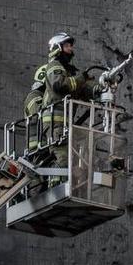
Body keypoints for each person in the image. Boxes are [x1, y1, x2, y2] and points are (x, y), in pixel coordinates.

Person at [38, 32, 102, 185]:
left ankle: (65, 184)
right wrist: (82, 78)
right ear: (57, 48)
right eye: (67, 46)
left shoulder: (69, 71)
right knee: (63, 157)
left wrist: (101, 89)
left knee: (70, 157)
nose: (71, 49)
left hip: (64, 124)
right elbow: (60, 85)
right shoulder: (54, 66)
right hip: (55, 122)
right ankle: (56, 186)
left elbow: (83, 90)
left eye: (71, 46)